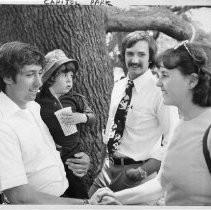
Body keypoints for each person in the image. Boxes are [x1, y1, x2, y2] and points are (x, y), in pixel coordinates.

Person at [97, 41, 211, 206]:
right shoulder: (181, 126)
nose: (158, 83)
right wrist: (116, 198)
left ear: (191, 81)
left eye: (165, 75)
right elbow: (161, 184)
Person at [0, 41, 103, 205]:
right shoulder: (3, 124)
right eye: (29, 75)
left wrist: (78, 160)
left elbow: (44, 152)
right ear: (7, 77)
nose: (39, 83)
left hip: (64, 194)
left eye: (40, 73)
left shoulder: (33, 107)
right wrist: (84, 205)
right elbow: (19, 197)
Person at [89, 31, 179, 197]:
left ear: (150, 58)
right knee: (89, 201)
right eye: (130, 54)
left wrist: (144, 170)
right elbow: (111, 126)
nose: (134, 60)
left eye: (141, 54)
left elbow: (173, 138)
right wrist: (102, 164)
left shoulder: (160, 91)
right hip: (108, 170)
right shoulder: (119, 86)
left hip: (137, 174)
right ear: (123, 55)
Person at [35, 49, 96, 199]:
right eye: (64, 75)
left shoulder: (76, 98)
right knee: (55, 192)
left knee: (78, 191)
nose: (70, 80)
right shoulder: (38, 100)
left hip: (72, 153)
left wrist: (81, 117)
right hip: (50, 154)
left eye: (71, 76)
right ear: (50, 77)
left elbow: (92, 117)